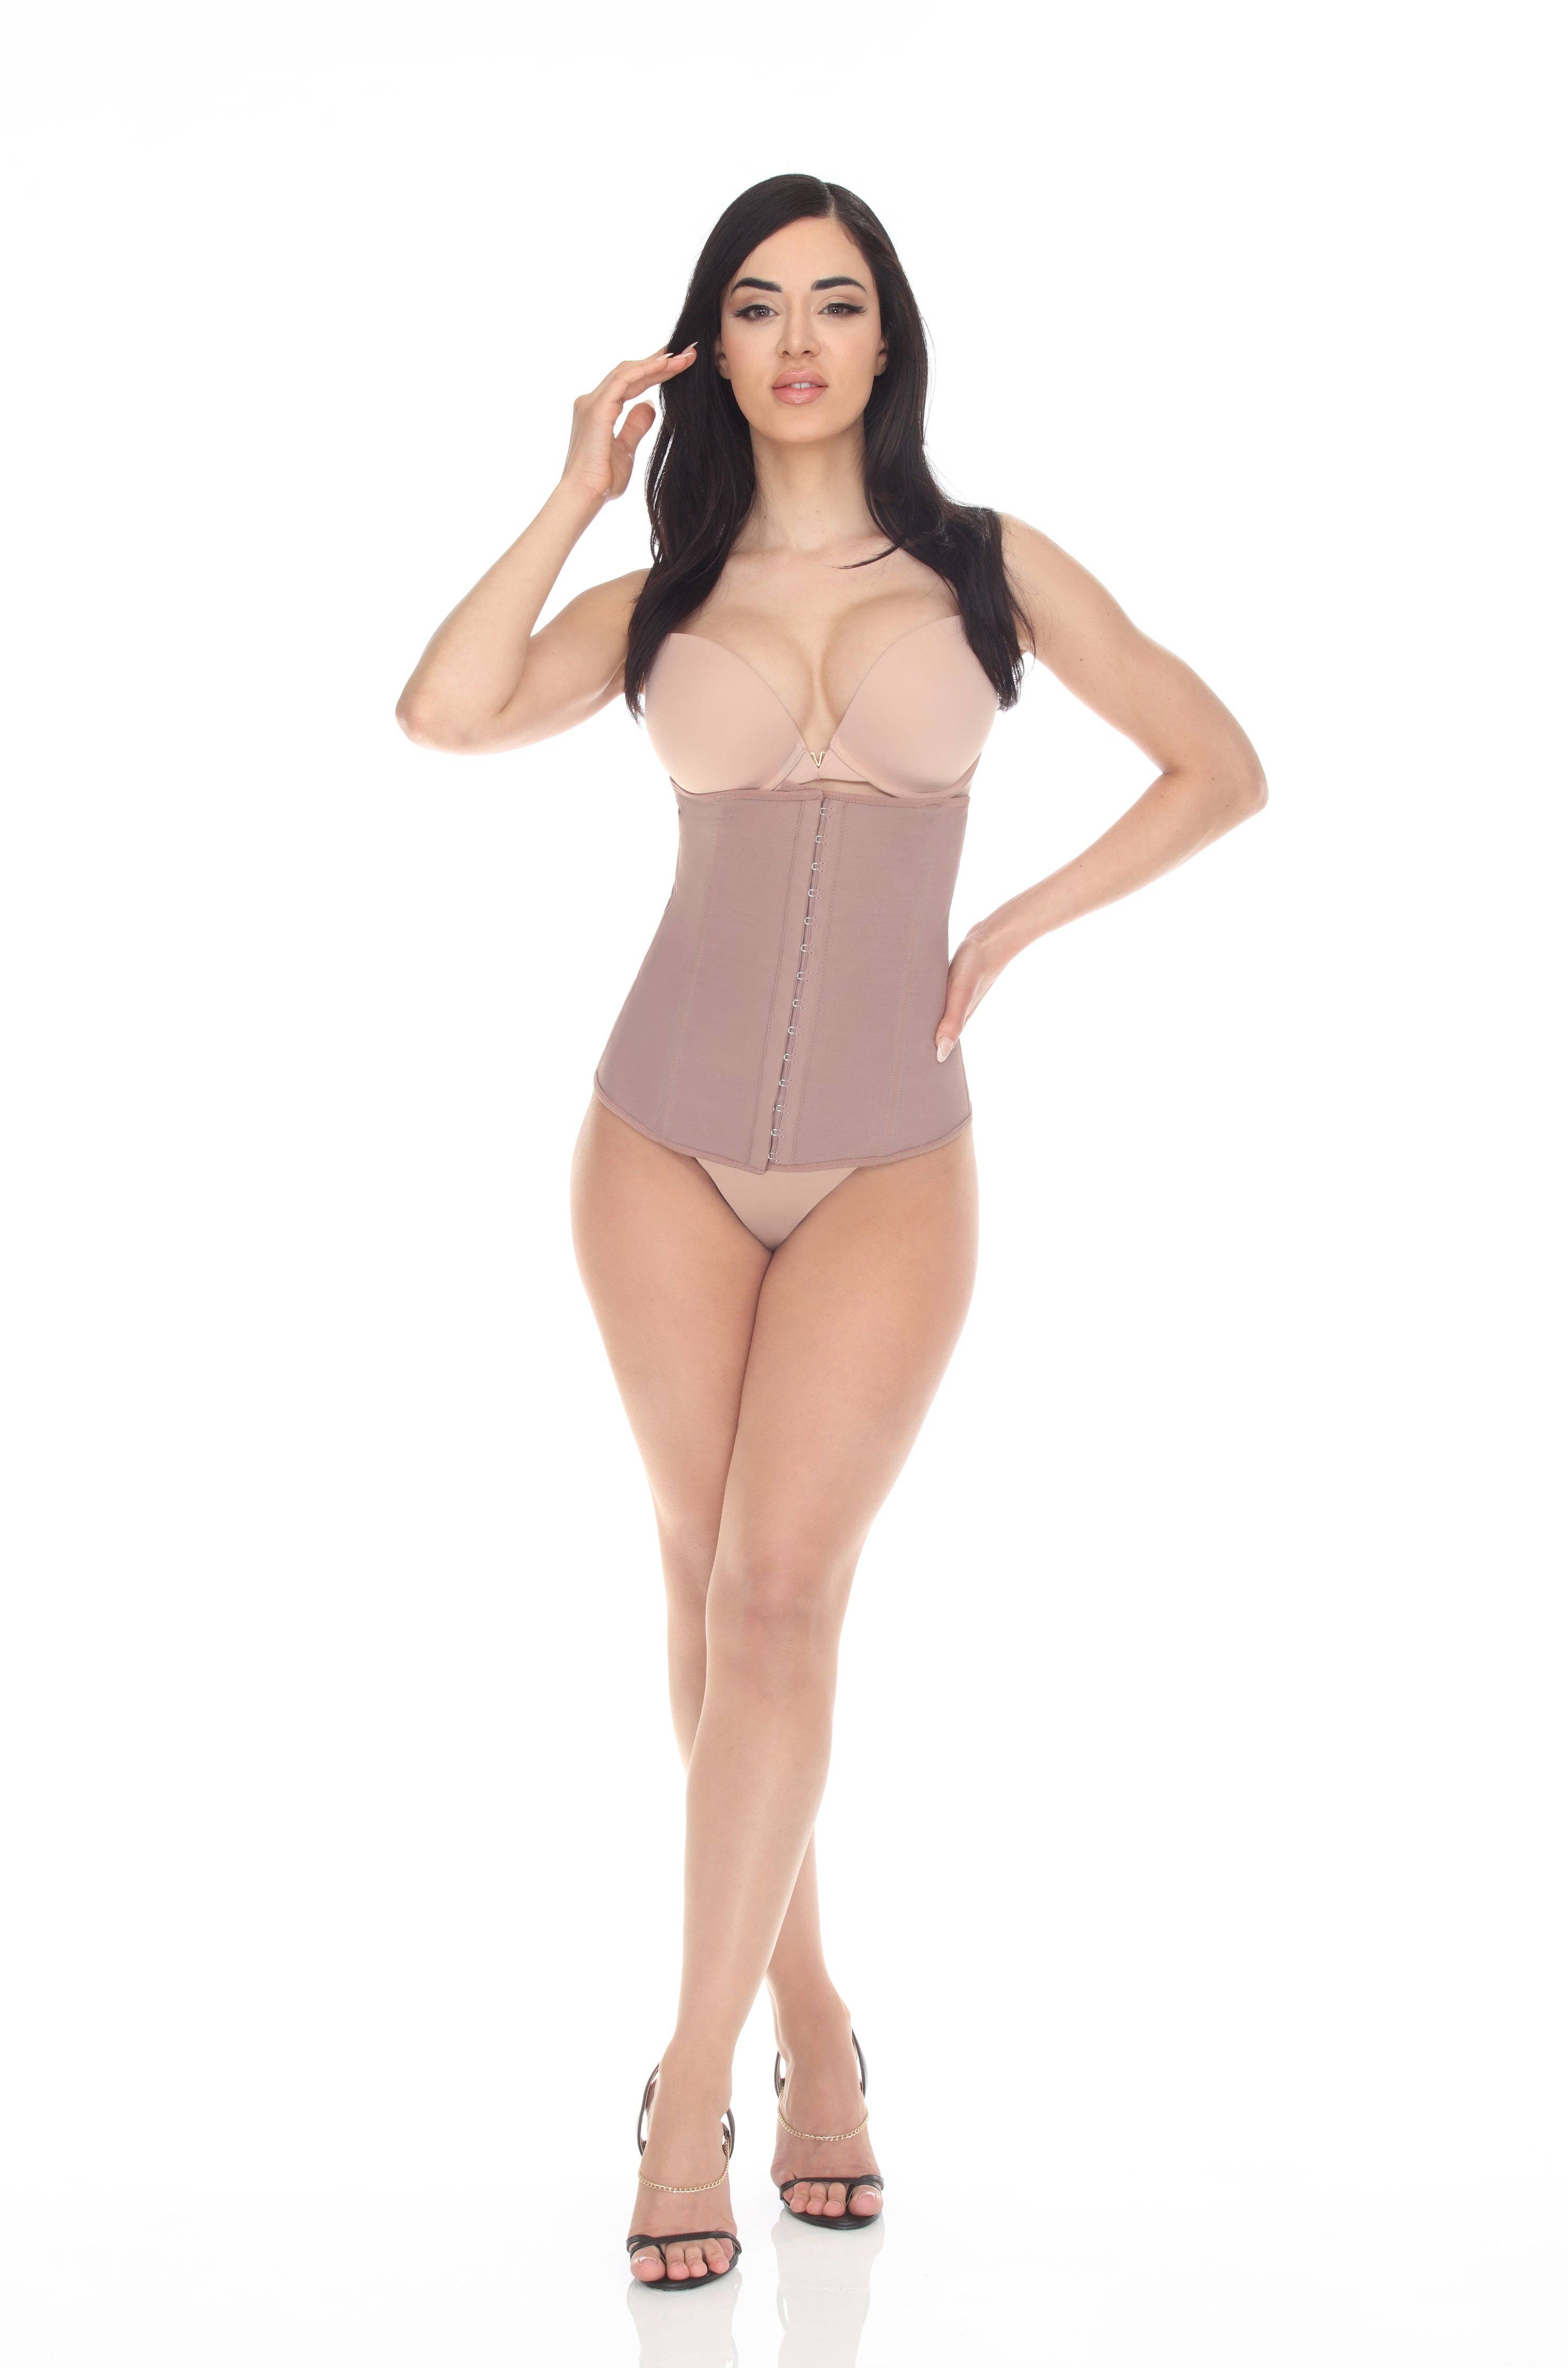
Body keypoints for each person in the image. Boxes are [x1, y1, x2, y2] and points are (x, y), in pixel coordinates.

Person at [395, 172, 1267, 2290]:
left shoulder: (986, 566)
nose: (798, 340)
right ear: (710, 343)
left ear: (890, 337)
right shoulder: (660, 593)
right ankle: (808, 2034)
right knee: (720, 1602)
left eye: (838, 302)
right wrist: (573, 492)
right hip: (654, 1143)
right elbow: (443, 709)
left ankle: (690, 2081)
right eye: (759, 305)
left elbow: (1217, 766)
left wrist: (1013, 927)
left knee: (775, 1602)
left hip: (891, 1152)